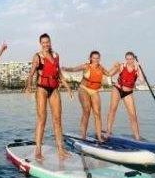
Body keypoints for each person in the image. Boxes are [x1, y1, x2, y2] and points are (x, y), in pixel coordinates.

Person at [25, 33, 74, 161]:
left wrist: (68, 88)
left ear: (50, 42)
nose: (46, 44)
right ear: (40, 44)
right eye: (43, 42)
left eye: (47, 42)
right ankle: (38, 151)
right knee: (42, 119)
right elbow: (31, 73)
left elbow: (59, 75)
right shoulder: (37, 57)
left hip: (54, 88)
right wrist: (29, 86)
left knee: (57, 120)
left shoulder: (56, 55)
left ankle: (61, 150)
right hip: (42, 88)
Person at [62, 50, 114, 144]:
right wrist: (65, 68)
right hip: (84, 89)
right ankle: (83, 135)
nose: (96, 60)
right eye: (94, 58)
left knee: (97, 113)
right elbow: (74, 69)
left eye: (98, 58)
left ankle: (99, 136)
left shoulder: (101, 68)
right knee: (87, 110)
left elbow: (109, 74)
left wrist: (116, 67)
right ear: (90, 58)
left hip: (94, 91)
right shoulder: (86, 66)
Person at [105, 51, 144, 140]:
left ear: (134, 59)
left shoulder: (137, 68)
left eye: (131, 59)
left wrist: (139, 69)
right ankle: (108, 132)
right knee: (113, 109)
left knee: (133, 115)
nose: (129, 61)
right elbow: (109, 74)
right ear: (125, 59)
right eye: (127, 59)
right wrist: (114, 66)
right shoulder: (122, 66)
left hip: (128, 92)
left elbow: (142, 80)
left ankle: (137, 138)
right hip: (118, 89)